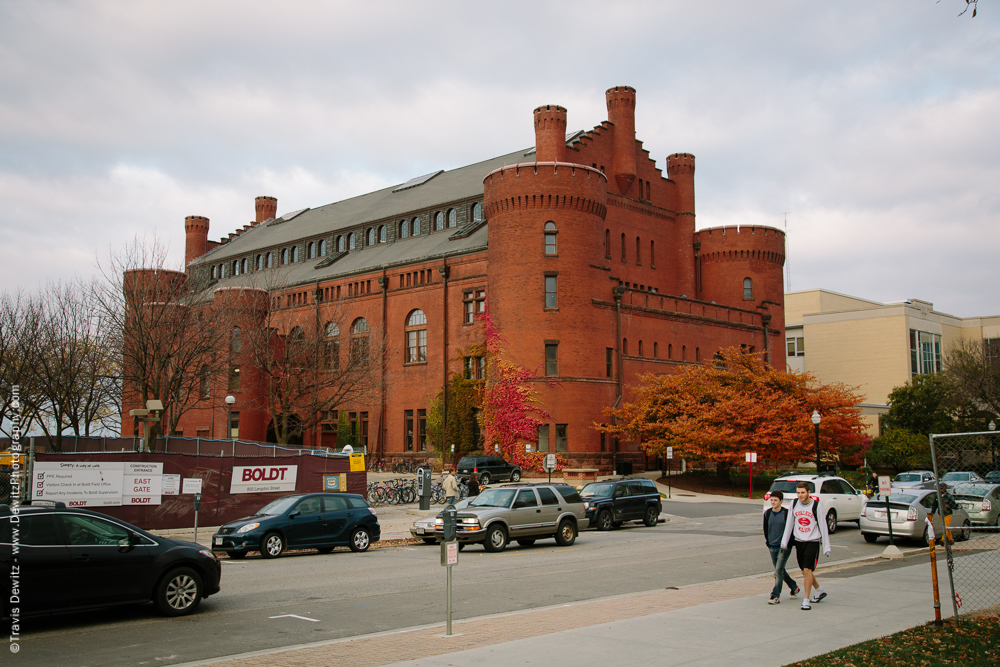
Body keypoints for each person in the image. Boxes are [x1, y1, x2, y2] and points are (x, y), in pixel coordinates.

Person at [780, 481, 831, 610]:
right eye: (798, 493)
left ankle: (806, 600)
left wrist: (826, 547)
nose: (800, 495)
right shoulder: (794, 504)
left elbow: (823, 527)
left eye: (803, 492)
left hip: (812, 541)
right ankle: (819, 589)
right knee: (804, 571)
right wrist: (784, 542)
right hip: (799, 541)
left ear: (809, 492)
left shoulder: (816, 506)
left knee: (808, 570)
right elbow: (789, 524)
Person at [763, 490, 799, 604]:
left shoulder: (787, 513)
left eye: (775, 500)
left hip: (784, 547)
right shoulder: (767, 513)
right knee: (780, 571)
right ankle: (794, 587)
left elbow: (792, 530)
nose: (773, 502)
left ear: (781, 501)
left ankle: (775, 596)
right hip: (772, 546)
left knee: (778, 571)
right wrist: (768, 543)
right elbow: (766, 529)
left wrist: (789, 544)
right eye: (771, 500)